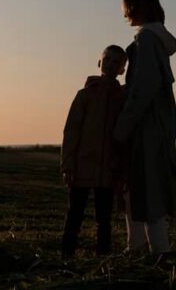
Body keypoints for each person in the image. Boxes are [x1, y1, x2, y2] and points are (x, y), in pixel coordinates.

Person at [113, 0, 176, 254]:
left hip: (147, 126)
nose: (125, 14)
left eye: (128, 8)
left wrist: (122, 127)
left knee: (148, 186)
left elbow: (143, 88)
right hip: (155, 123)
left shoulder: (146, 41)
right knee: (139, 185)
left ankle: (159, 251)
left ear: (138, 7)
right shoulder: (154, 39)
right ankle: (138, 244)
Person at [60, 45, 128, 259]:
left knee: (104, 218)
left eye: (116, 62)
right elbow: (71, 131)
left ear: (122, 70)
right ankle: (66, 257)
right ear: (99, 63)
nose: (110, 65)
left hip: (108, 169)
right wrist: (68, 165)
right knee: (74, 215)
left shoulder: (122, 98)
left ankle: (103, 259)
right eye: (107, 60)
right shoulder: (85, 95)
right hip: (82, 166)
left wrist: (121, 169)